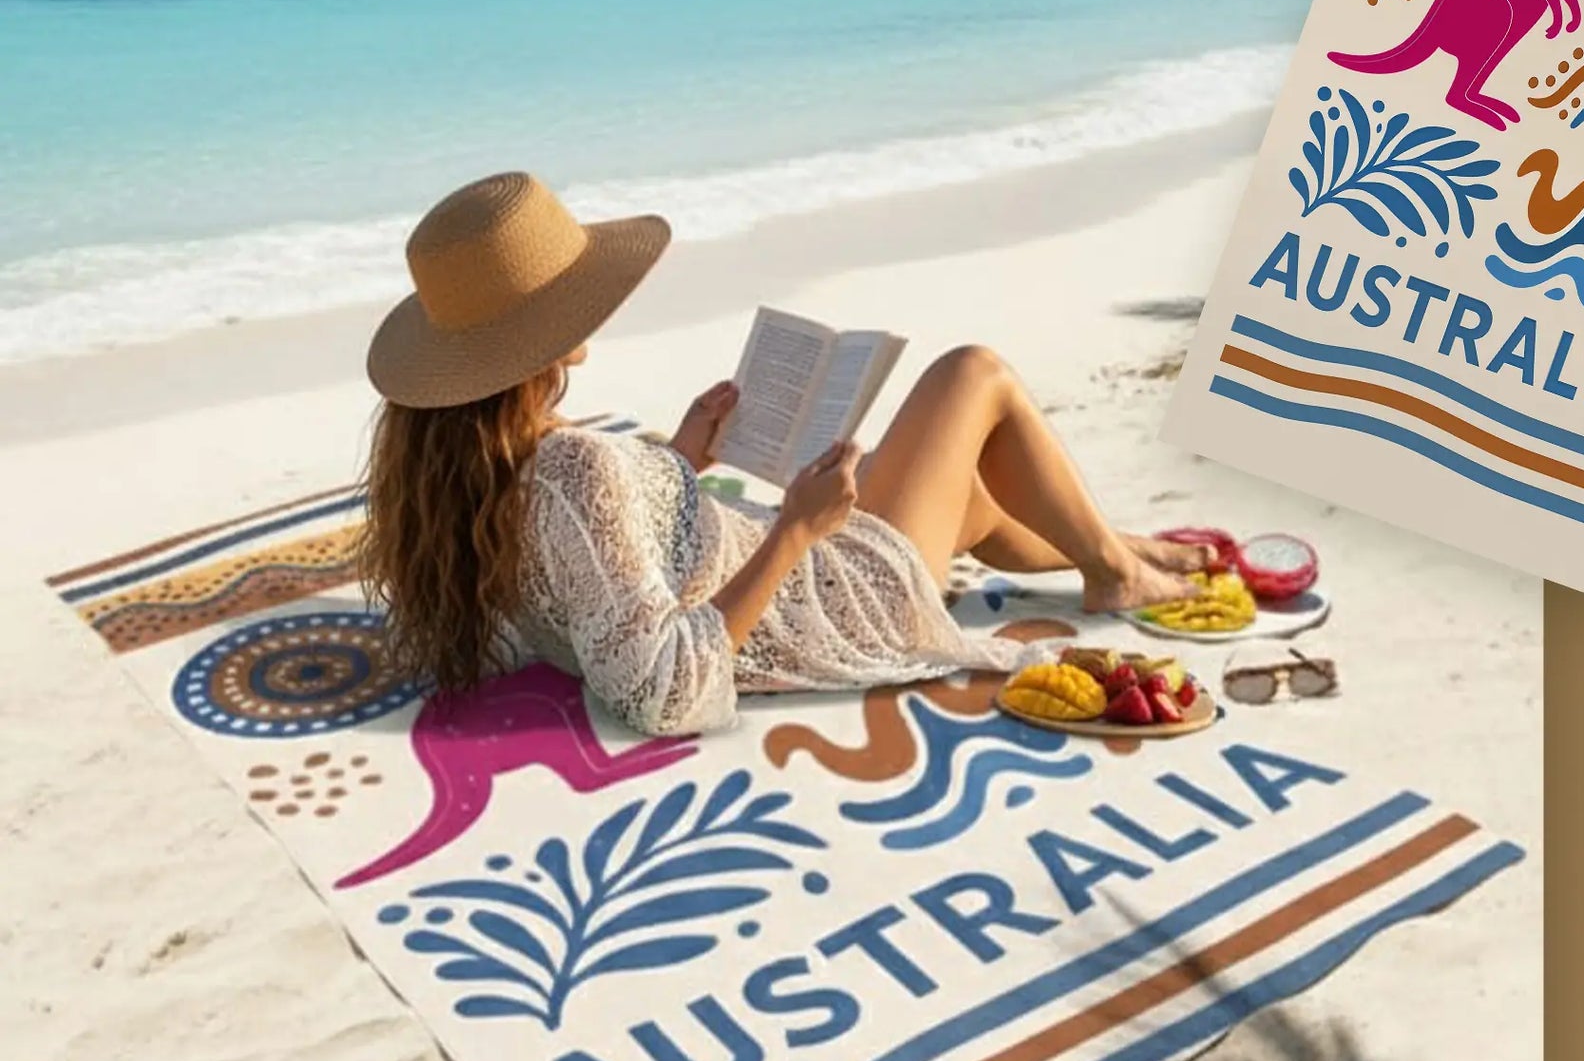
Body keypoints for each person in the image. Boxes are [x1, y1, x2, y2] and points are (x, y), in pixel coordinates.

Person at [358, 172, 1203, 736]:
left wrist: (680, 460)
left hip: (767, 563)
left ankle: (1120, 550)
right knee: (972, 375)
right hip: (815, 601)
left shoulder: (452, 476)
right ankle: (1118, 573)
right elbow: (665, 693)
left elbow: (588, 562)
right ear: (558, 340)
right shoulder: (576, 469)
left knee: (974, 501)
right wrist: (797, 531)